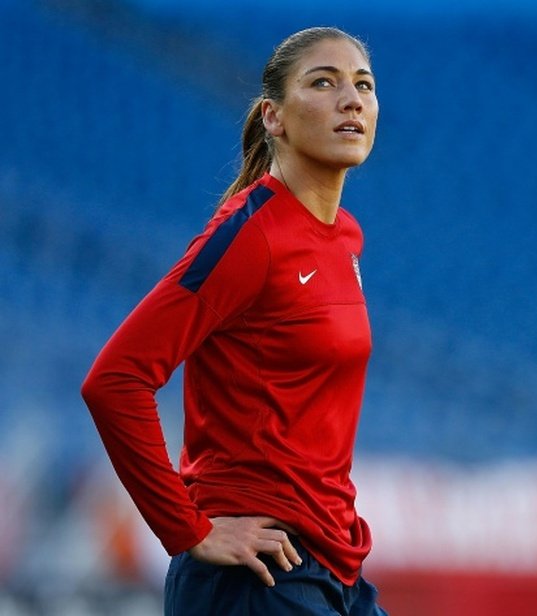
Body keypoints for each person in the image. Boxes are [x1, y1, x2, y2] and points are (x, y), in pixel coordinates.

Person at [81, 26, 389, 615]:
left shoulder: (343, 237)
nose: (351, 99)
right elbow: (115, 379)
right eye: (322, 83)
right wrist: (190, 530)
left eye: (363, 85)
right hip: (259, 575)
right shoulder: (250, 237)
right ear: (273, 117)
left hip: (333, 561)